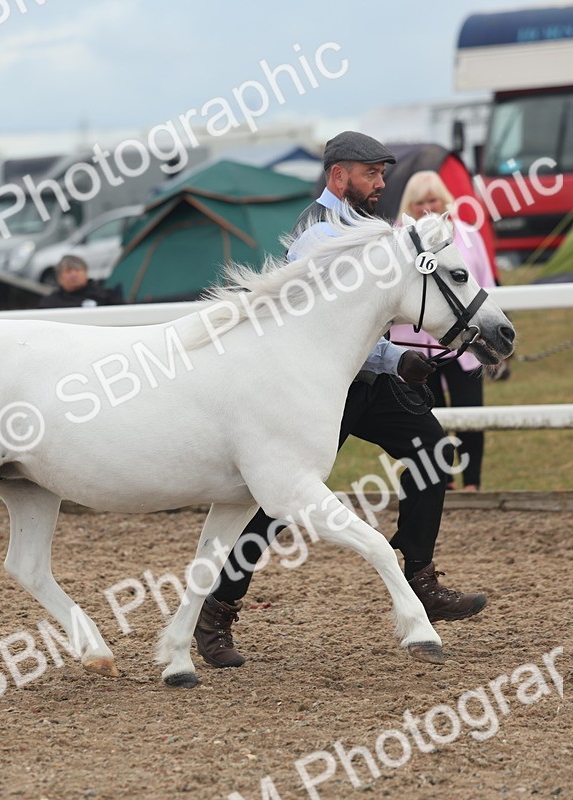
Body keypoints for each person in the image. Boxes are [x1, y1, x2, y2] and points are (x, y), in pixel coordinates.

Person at [195, 132, 488, 669]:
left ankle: (420, 577)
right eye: (372, 174)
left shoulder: (369, 229)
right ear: (338, 176)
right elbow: (328, 324)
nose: (382, 184)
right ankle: (217, 611)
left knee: (430, 449)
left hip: (360, 378)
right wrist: (395, 359)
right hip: (316, 387)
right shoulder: (317, 236)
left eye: (382, 174)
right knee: (276, 504)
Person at [389, 170, 499, 491]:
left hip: (467, 340)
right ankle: (442, 480)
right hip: (415, 343)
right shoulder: (398, 240)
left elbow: (485, 286)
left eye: (432, 199)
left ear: (445, 199)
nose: (427, 207)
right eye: (419, 201)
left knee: (470, 411)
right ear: (409, 205)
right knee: (427, 412)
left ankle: (472, 481)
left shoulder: (468, 235)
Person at [38, 254, 124, 308]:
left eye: (77, 270)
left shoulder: (105, 296)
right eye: (68, 271)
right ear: (59, 277)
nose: (74, 274)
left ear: (86, 272)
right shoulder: (50, 303)